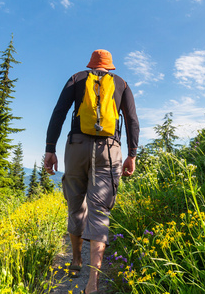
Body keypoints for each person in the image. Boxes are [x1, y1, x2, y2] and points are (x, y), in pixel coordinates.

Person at [44, 49, 139, 294]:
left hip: (76, 146)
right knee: (100, 211)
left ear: (91, 64)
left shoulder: (77, 78)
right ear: (110, 66)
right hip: (109, 150)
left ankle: (76, 261)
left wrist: (50, 149)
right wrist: (132, 154)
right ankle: (93, 282)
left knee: (76, 204)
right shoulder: (122, 84)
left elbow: (59, 113)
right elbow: (132, 121)